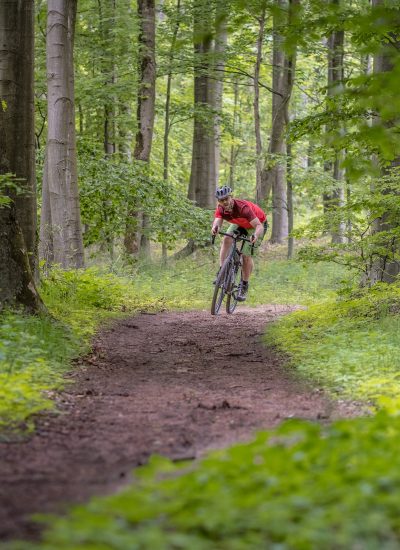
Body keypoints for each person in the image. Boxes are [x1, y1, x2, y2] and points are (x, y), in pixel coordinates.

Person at [211, 185, 268, 302]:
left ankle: (244, 285)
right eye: (222, 200)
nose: (225, 202)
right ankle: (222, 271)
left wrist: (255, 236)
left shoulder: (243, 208)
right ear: (219, 201)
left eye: (226, 199)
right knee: (226, 239)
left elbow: (259, 226)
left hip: (256, 226)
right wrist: (215, 228)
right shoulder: (221, 208)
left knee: (245, 256)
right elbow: (218, 221)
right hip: (240, 223)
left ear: (231, 197)